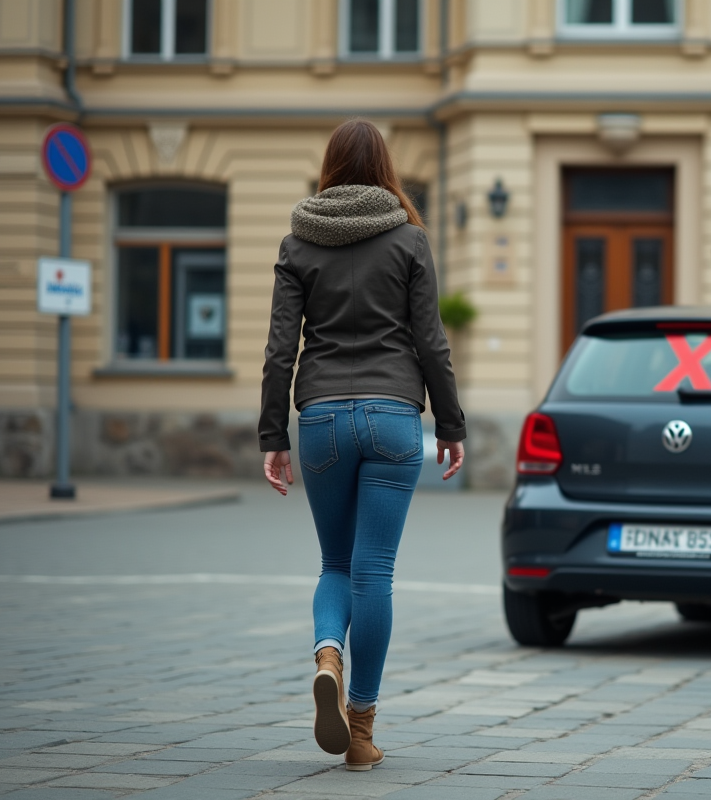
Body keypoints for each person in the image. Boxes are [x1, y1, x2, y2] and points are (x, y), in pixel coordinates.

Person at [258, 119, 465, 771]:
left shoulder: (299, 243)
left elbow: (278, 350)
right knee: (375, 570)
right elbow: (431, 340)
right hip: (393, 417)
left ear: (329, 166)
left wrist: (273, 436)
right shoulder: (409, 238)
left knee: (335, 565)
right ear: (385, 167)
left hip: (319, 418)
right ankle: (361, 733)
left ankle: (327, 653)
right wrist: (452, 426)